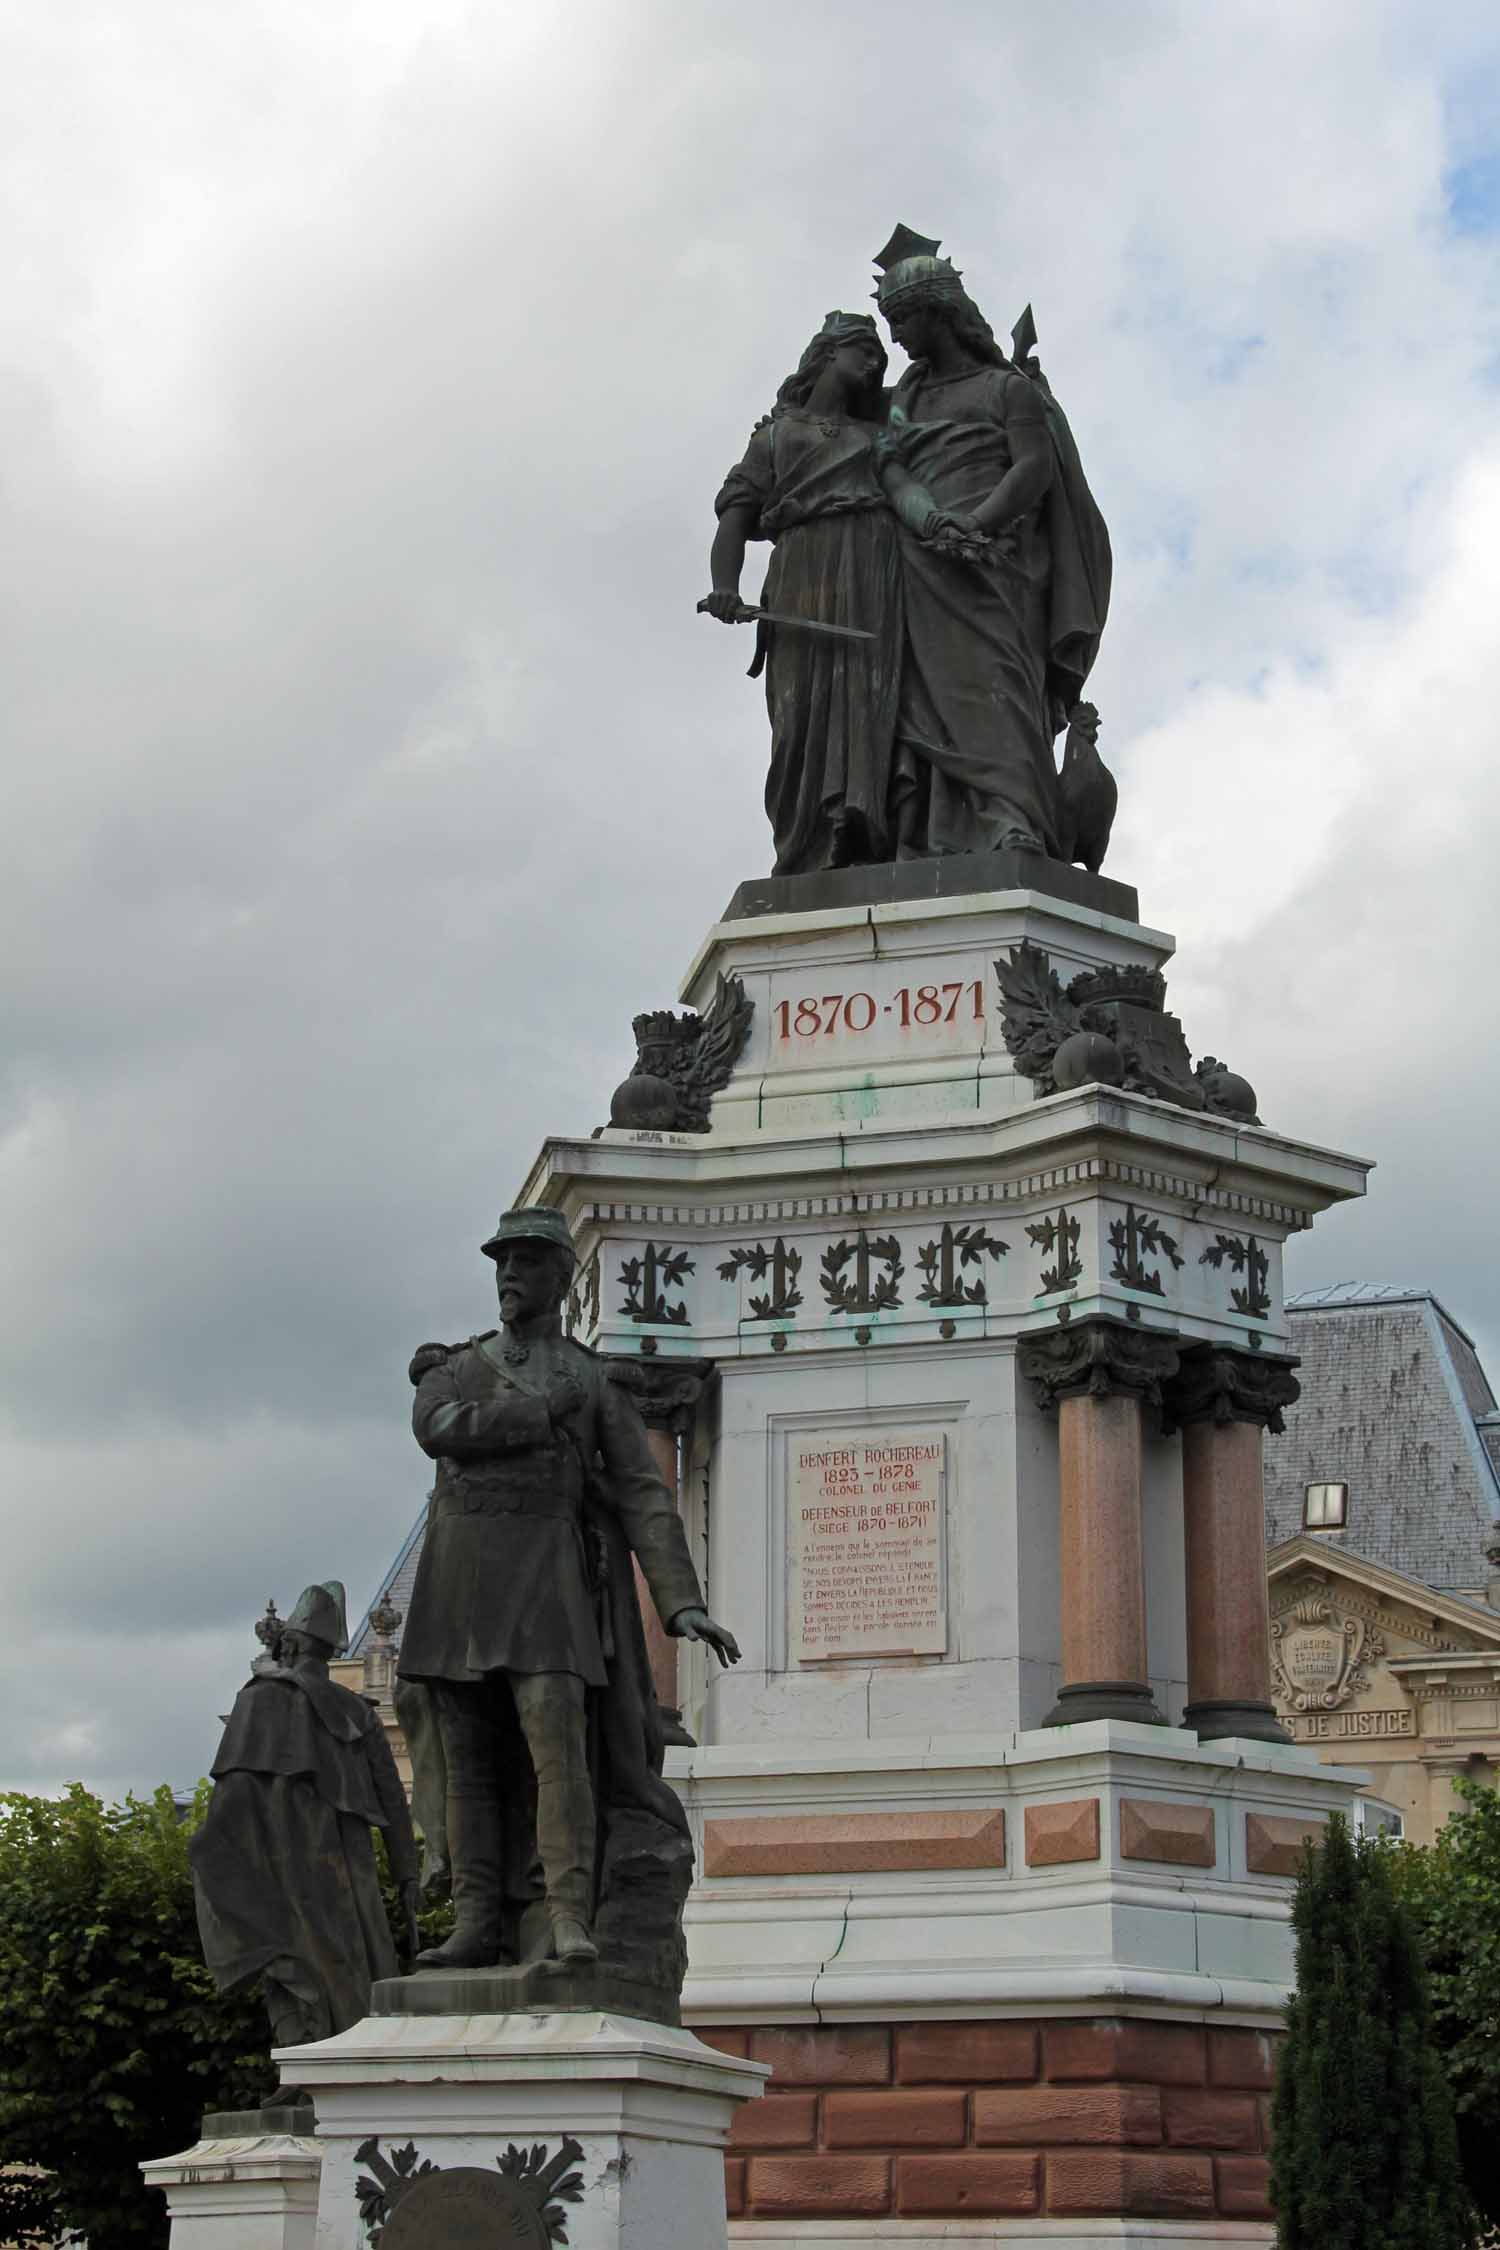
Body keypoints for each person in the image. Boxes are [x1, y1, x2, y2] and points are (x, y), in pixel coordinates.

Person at [398, 1207, 739, 1971]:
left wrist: (680, 1602)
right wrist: (537, 1414)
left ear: (562, 1276)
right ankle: (476, 1919)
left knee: (560, 1756)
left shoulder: (590, 1378)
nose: (510, 1275)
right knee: (470, 1760)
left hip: (548, 1582)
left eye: (527, 1262)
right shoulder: (454, 1367)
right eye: (502, 1262)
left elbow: (644, 1494)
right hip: (458, 1580)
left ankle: (566, 1916)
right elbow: (437, 1427)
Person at [870, 225, 1112, 860]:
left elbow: (1032, 467)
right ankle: (934, 832)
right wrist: (930, 521)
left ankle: (1015, 821)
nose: (897, 338)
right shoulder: (909, 397)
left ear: (938, 313)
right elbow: (889, 465)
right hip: (922, 556)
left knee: (999, 688)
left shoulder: (1007, 389)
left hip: (995, 560)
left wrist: (975, 524)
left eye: (903, 321)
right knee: (923, 700)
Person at [704, 310, 903, 874]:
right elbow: (735, 517)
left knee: (869, 696)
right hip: (802, 573)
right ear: (826, 353)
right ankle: (804, 839)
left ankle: (859, 824)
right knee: (801, 712)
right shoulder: (775, 435)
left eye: (880, 357)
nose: (874, 363)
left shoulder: (877, 436)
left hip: (873, 569)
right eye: (863, 350)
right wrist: (724, 587)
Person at [191, 1582, 420, 2048]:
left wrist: (214, 1855)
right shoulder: (359, 1712)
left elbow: (231, 1795)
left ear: (289, 1644)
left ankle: (301, 2056)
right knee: (356, 1962)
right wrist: (407, 1874)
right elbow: (395, 1803)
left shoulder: (256, 1700)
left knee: (285, 1961)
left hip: (274, 1859)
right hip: (344, 1868)